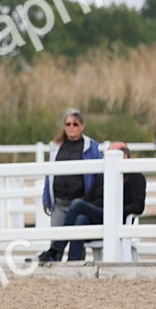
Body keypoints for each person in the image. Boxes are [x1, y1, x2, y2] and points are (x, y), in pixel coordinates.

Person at [62, 142, 147, 261]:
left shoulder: (136, 177)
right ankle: (73, 263)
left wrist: (117, 211)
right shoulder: (102, 175)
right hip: (98, 215)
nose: (105, 158)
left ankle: (56, 249)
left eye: (109, 154)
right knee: (81, 219)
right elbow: (89, 199)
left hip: (117, 218)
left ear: (125, 156)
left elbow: (138, 206)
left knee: (78, 204)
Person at [39, 108, 102, 262]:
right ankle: (54, 266)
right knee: (56, 237)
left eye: (75, 124)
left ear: (82, 126)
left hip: (80, 200)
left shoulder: (91, 147)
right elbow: (49, 174)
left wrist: (90, 199)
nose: (71, 127)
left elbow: (97, 175)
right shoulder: (56, 146)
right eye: (68, 124)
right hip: (60, 201)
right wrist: (47, 197)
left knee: (76, 238)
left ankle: (74, 266)